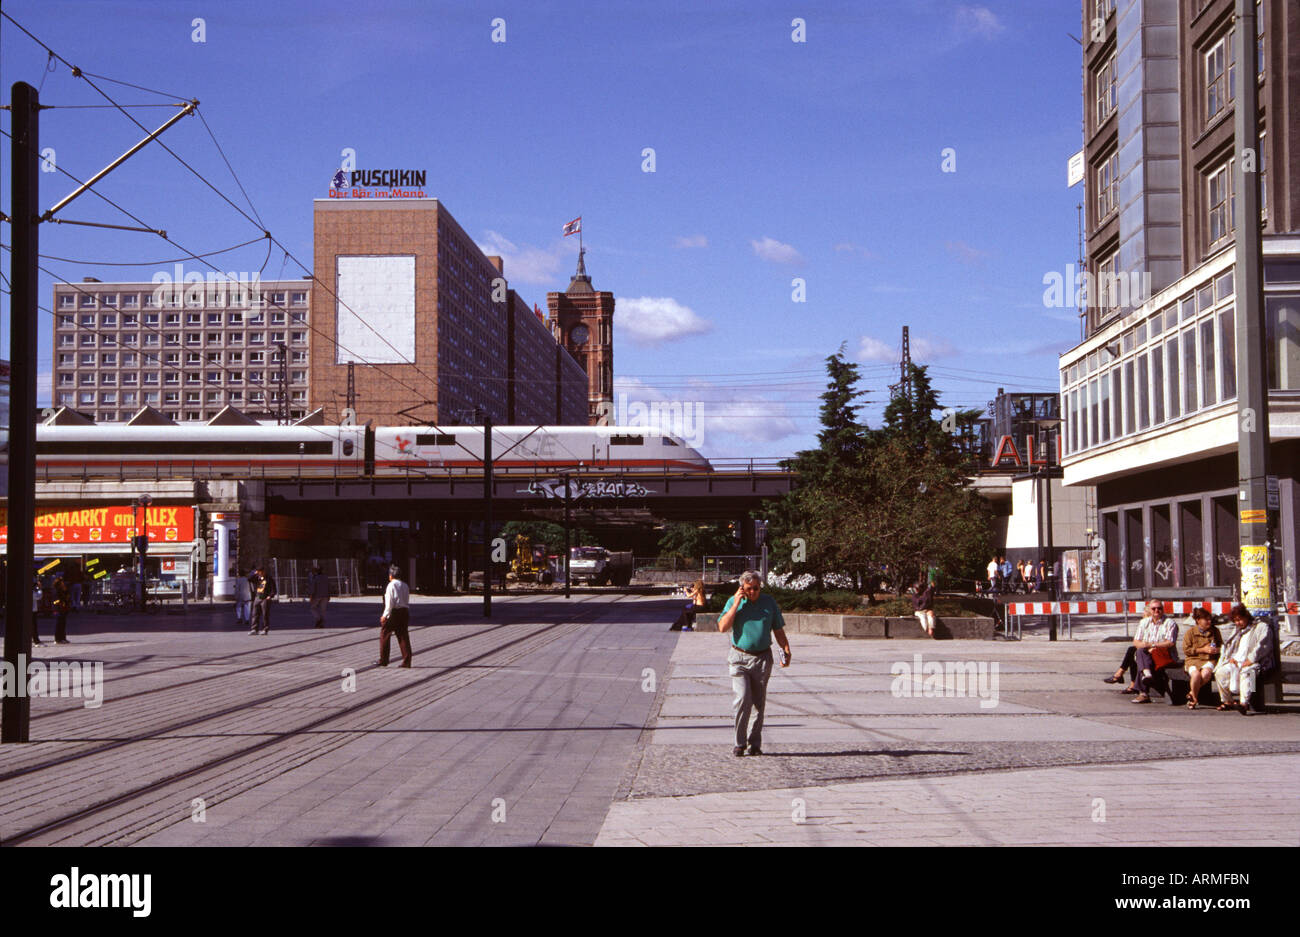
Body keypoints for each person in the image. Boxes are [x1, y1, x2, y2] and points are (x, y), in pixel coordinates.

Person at [718, 570, 791, 757]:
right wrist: (735, 604)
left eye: (756, 589)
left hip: (762, 658)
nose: (753, 593)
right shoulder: (734, 602)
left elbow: (778, 629)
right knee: (742, 698)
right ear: (742, 588)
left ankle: (754, 744)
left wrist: (785, 649)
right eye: (749, 589)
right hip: (739, 658)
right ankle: (739, 743)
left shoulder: (769, 602)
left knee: (759, 702)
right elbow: (722, 627)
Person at [1214, 605, 1270, 715]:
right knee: (1220, 672)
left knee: (1249, 674)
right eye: (1235, 621)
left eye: (1239, 619)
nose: (1238, 623)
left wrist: (1251, 659)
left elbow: (1263, 646)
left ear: (1246, 616)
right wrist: (1231, 658)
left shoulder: (1261, 627)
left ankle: (1244, 703)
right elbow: (1231, 647)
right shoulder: (1238, 630)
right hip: (1238, 661)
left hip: (1257, 662)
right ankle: (1227, 700)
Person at [1129, 599, 1178, 703]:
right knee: (1140, 652)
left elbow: (1170, 643)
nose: (1157, 610)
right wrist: (1146, 647)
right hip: (1148, 653)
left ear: (1163, 610)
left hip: (1164, 654)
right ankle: (1147, 674)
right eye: (1154, 608)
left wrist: (1152, 646)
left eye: (1159, 608)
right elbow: (1136, 641)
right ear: (1150, 610)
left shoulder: (1170, 623)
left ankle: (1143, 692)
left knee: (1141, 658)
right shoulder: (1144, 622)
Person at [1181, 608, 1222, 709]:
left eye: (1210, 619)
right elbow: (1186, 650)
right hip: (1193, 659)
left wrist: (1217, 650)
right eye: (1206, 619)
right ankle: (1194, 698)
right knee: (1196, 675)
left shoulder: (1215, 631)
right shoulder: (1190, 633)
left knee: (1206, 674)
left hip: (1209, 659)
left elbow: (1222, 646)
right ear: (1198, 620)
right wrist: (1203, 649)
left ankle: (1191, 695)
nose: (1209, 622)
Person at [377, 564, 412, 667]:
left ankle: (383, 660)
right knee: (403, 636)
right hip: (404, 612)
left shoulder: (391, 585)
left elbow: (389, 603)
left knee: (385, 635)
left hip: (394, 613)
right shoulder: (405, 585)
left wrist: (385, 615)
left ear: (391, 575)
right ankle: (407, 660)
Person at [250, 566, 277, 635]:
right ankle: (254, 629)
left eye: (260, 572)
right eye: (258, 572)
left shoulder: (269, 579)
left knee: (265, 614)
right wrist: (254, 574)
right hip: (257, 597)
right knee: (255, 614)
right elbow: (249, 579)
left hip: (265, 598)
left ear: (263, 571)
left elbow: (273, 589)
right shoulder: (257, 578)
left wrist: (270, 596)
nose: (259, 573)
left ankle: (265, 629)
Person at [307, 564, 331, 628]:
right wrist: (329, 595)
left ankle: (319, 619)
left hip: (317, 596)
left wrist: (311, 596)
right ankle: (321, 624)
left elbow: (313, 588)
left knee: (312, 608)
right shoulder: (326, 577)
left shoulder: (315, 578)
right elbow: (328, 587)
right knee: (322, 610)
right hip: (325, 596)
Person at [52, 574, 71, 644]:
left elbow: (67, 598)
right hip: (58, 609)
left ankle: (63, 638)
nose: (63, 583)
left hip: (64, 609)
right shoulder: (56, 591)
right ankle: (57, 639)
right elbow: (56, 601)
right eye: (61, 582)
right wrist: (61, 603)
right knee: (58, 624)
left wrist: (66, 592)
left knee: (63, 623)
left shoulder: (64, 590)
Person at [32, 577, 45, 646]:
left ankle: (34, 639)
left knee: (33, 625)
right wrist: (40, 589)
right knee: (33, 625)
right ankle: (35, 640)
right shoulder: (32, 591)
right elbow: (38, 596)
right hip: (32, 610)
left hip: (33, 610)